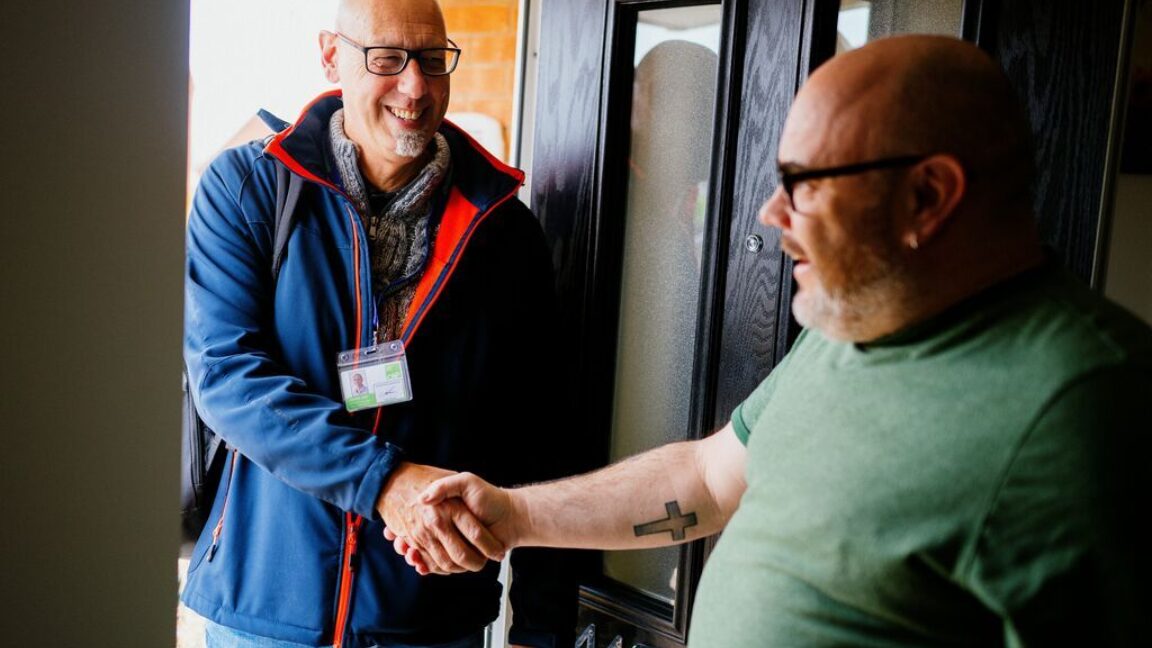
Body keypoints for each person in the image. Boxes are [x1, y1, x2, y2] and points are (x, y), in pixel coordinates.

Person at [385, 35, 1152, 645]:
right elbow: (708, 481)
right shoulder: (853, 326)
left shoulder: (1086, 408)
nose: (769, 215)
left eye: (807, 184)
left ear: (928, 196)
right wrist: (515, 517)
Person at [181, 0, 583, 645]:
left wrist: (542, 629)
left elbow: (542, 436)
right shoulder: (249, 188)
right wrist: (385, 482)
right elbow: (226, 376)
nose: (415, 86)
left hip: (428, 621)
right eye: (386, 58)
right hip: (265, 606)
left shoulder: (505, 232)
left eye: (431, 59)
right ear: (331, 55)